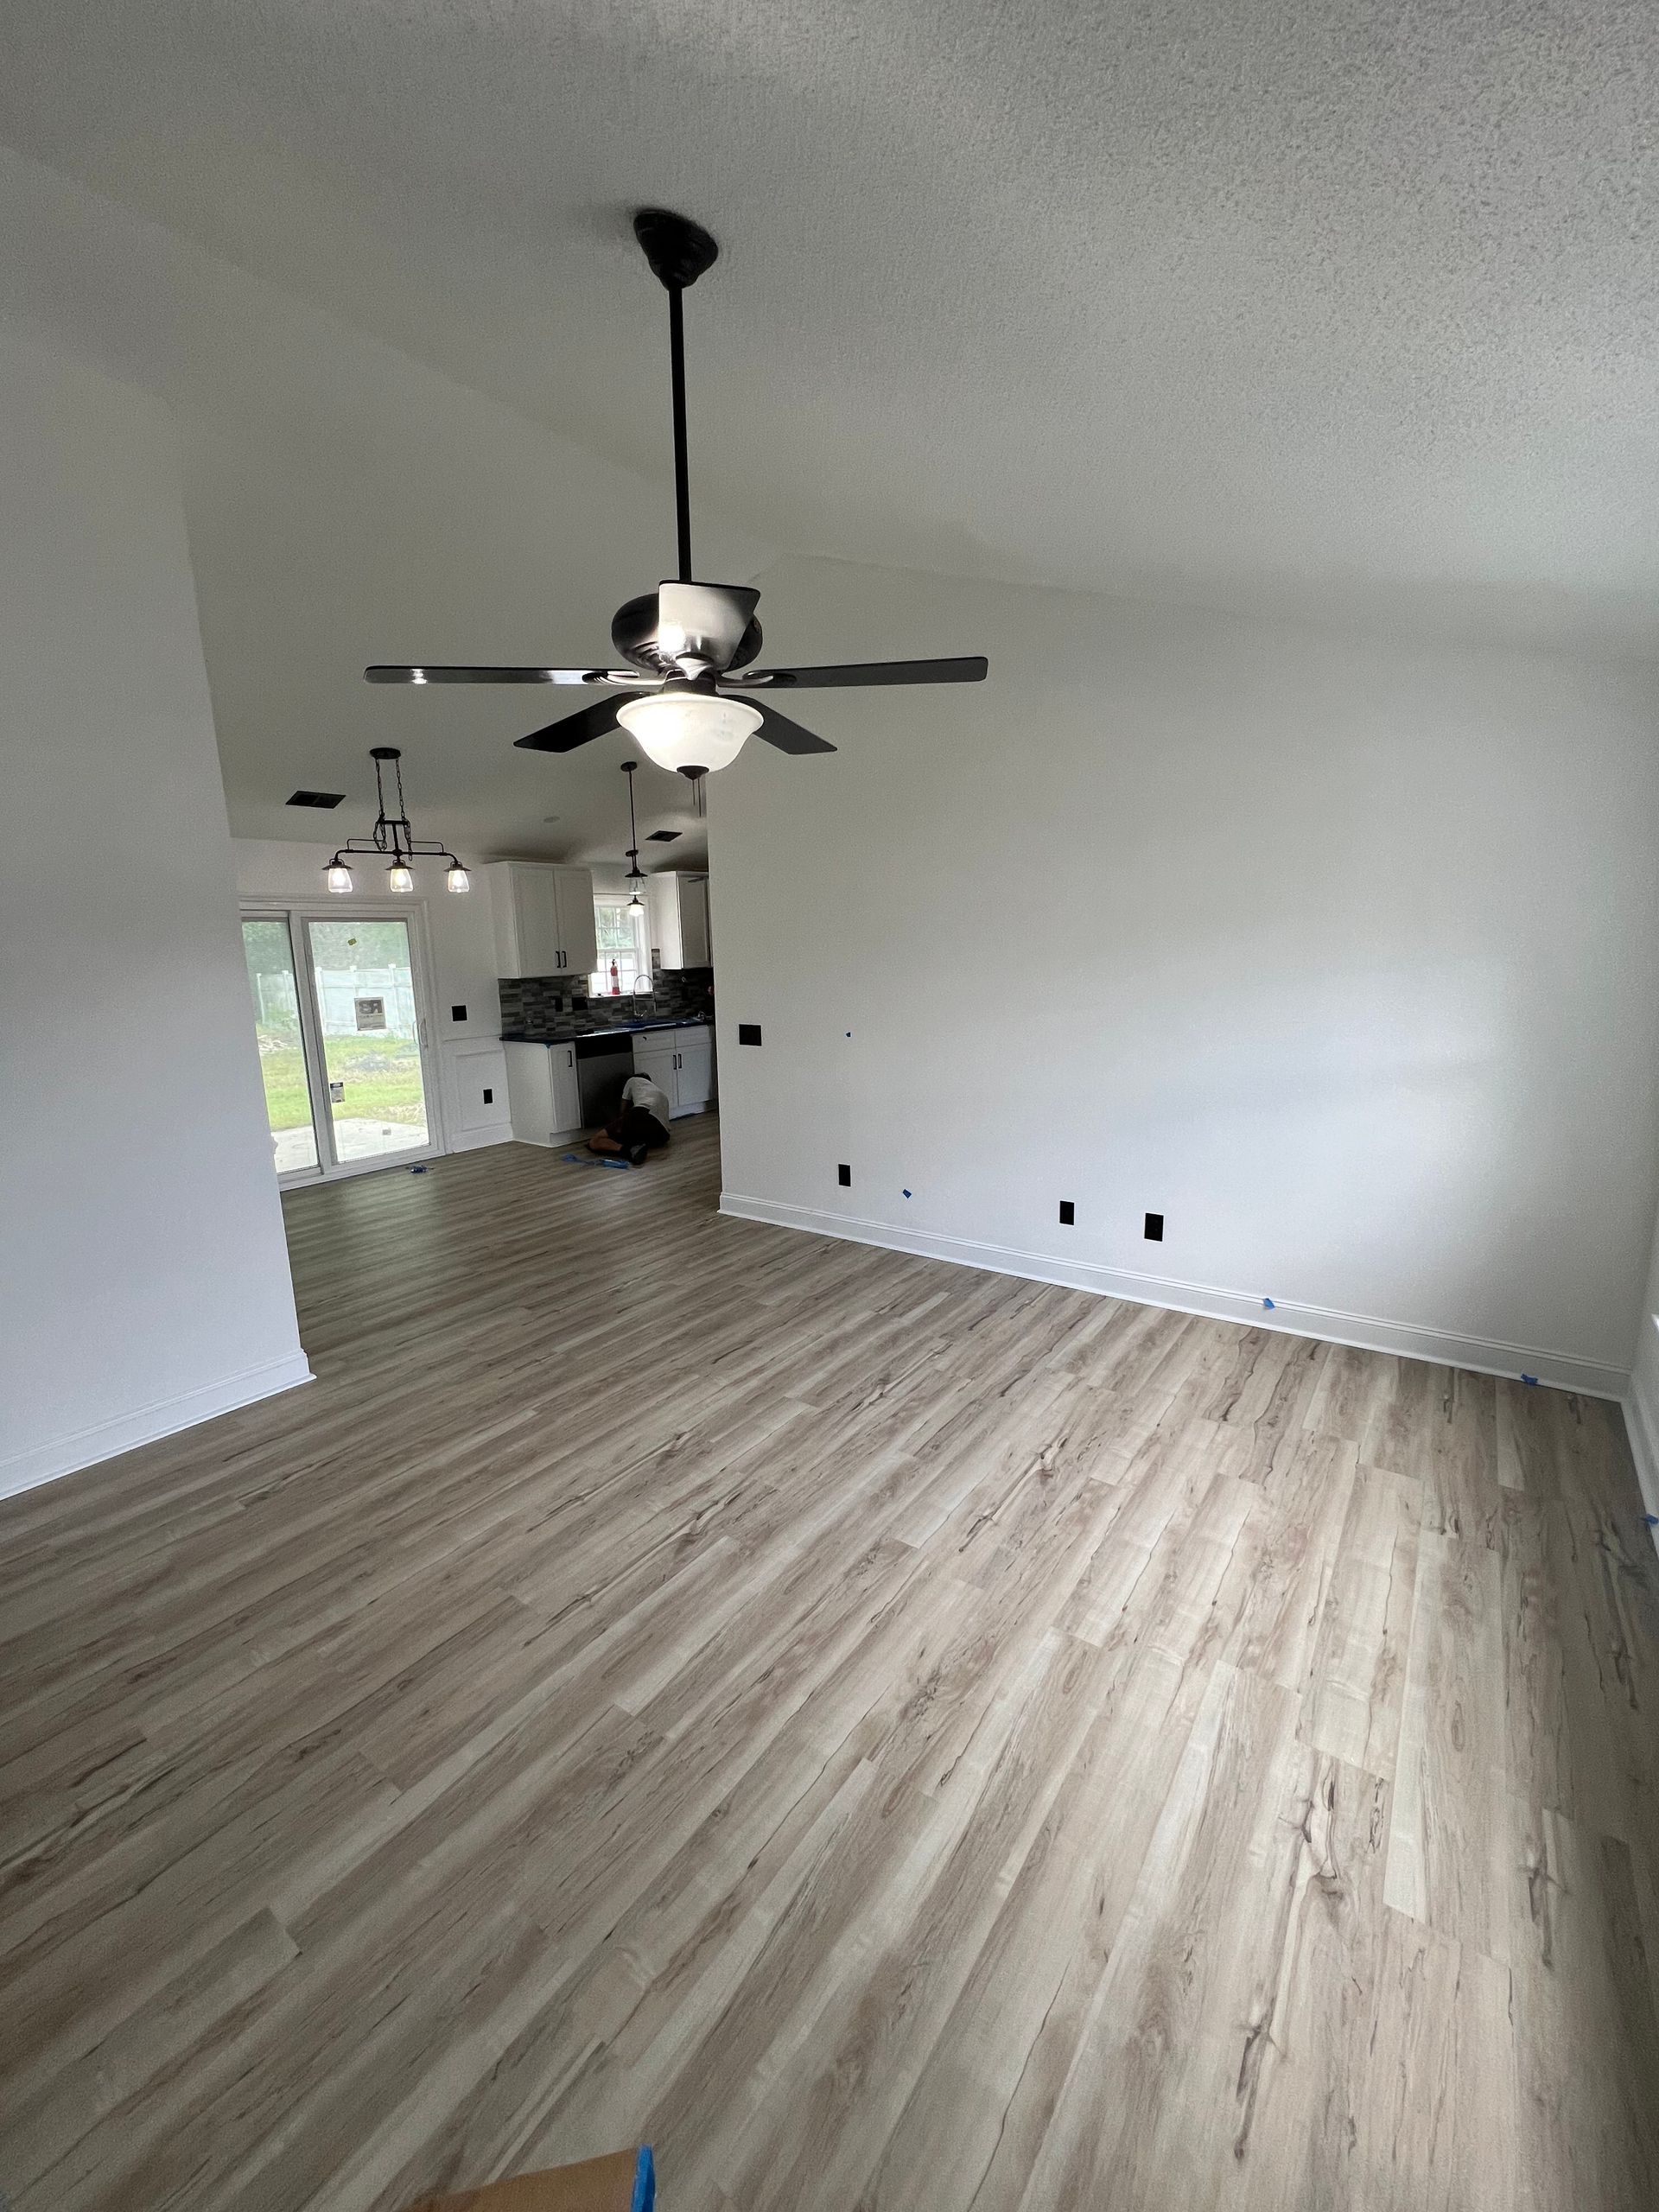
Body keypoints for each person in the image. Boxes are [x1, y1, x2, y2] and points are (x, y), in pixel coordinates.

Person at [589, 1071, 672, 1166]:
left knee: (595, 1141)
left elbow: (623, 1107)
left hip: (641, 1114)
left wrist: (617, 1123)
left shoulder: (632, 1080)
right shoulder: (658, 1092)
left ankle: (628, 1151)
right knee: (631, 1137)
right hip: (662, 1136)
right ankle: (635, 1147)